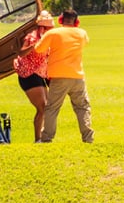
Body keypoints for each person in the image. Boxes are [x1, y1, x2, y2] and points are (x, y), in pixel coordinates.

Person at [33, 9, 95, 143]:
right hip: (77, 77)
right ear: (76, 21)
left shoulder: (53, 33)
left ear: (61, 19)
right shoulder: (82, 33)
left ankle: (47, 138)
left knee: (52, 109)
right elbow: (85, 42)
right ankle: (88, 138)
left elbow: (38, 49)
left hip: (58, 77)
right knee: (82, 107)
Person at [14, 10, 55, 142]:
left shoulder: (48, 38)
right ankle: (38, 139)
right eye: (48, 27)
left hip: (40, 74)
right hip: (28, 74)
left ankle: (43, 137)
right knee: (42, 107)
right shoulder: (32, 37)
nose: (50, 29)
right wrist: (34, 46)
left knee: (46, 107)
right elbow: (21, 53)